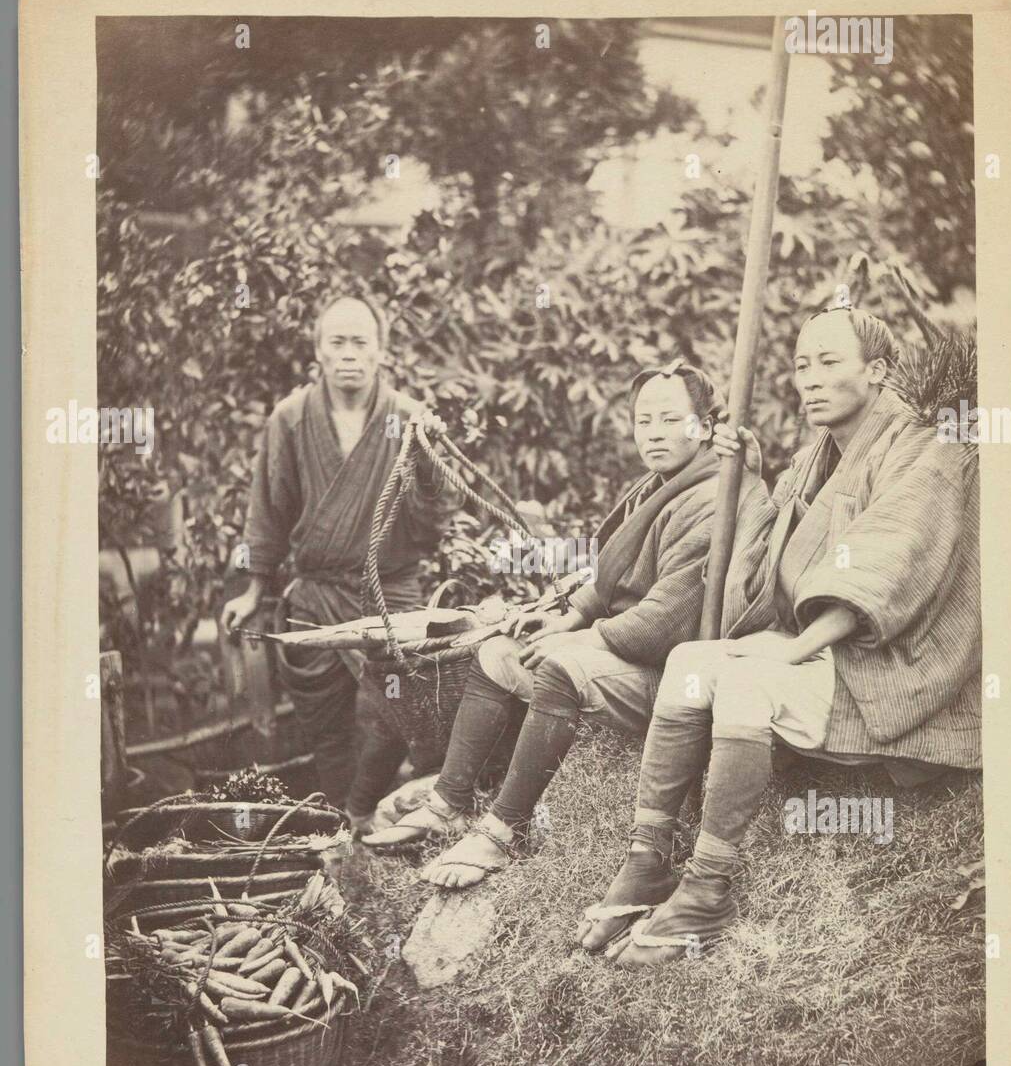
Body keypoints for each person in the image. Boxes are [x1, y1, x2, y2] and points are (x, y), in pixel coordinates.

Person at [577, 305, 981, 968]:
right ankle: (645, 863)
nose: (809, 379)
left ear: (877, 371)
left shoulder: (926, 446)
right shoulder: (817, 454)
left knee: (744, 676)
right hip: (831, 648)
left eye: (828, 362)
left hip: (891, 662)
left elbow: (890, 562)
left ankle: (708, 890)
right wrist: (756, 478)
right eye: (800, 365)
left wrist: (792, 648)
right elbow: (768, 567)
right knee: (687, 660)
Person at [362, 360, 725, 892]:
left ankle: (504, 829)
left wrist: (577, 636)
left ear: (707, 427)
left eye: (671, 420)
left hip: (670, 673)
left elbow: (665, 623)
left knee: (557, 663)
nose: (654, 433)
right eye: (644, 421)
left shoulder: (714, 499)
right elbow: (607, 580)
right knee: (500, 653)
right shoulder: (659, 486)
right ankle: (450, 801)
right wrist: (566, 615)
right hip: (624, 648)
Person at [220, 293, 456, 827]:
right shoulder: (290, 419)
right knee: (324, 723)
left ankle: (368, 808)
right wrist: (255, 589)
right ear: (319, 352)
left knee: (398, 710)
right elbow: (268, 507)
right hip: (317, 591)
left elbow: (432, 522)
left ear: (380, 352)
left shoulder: (406, 418)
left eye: (361, 342)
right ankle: (341, 826)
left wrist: (430, 465)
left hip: (390, 590)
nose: (349, 353)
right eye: (337, 342)